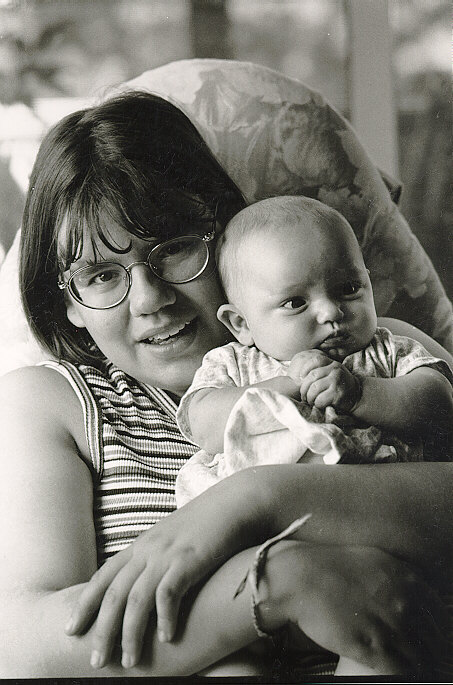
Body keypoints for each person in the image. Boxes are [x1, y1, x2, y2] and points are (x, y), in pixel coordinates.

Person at [0, 90, 452, 679]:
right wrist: (280, 583)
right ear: (70, 306)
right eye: (102, 275)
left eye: (175, 248)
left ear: (227, 231)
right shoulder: (54, 403)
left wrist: (255, 501)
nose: (151, 300)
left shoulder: (366, 347)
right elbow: (19, 644)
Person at [173, 195, 453, 675]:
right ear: (241, 324)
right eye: (295, 302)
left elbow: (437, 402)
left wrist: (362, 394)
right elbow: (202, 421)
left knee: (387, 654)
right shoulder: (236, 365)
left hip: (374, 567)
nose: (330, 313)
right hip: (253, 575)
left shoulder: (387, 353)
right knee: (227, 665)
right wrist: (288, 387)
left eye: (348, 289)